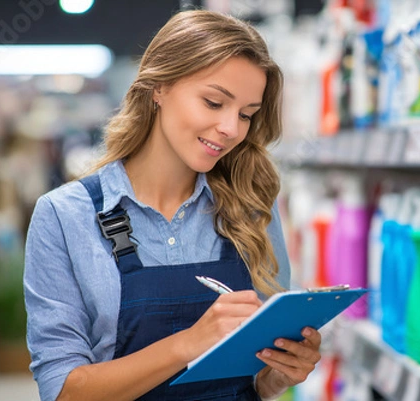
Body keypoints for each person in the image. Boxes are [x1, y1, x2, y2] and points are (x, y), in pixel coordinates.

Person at [24, 9, 322, 401]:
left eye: (247, 114)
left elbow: (256, 379)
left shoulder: (251, 206)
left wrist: (282, 371)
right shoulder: (65, 216)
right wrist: (188, 343)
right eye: (214, 103)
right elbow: (63, 392)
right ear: (158, 87)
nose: (232, 129)